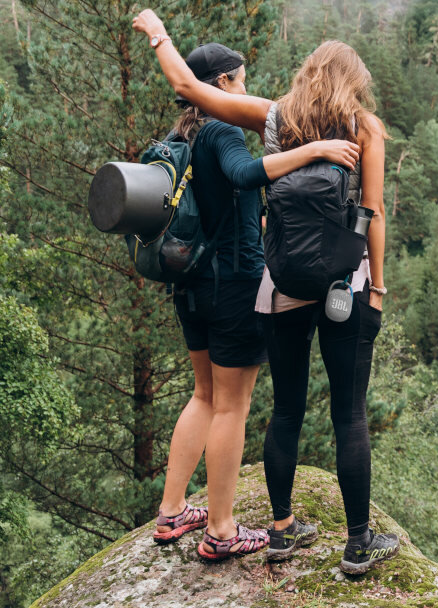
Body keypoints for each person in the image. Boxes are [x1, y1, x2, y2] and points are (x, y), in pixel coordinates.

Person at [134, 11, 400, 572]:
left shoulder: (274, 116)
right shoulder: (365, 128)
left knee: (285, 410)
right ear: (353, 83)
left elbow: (186, 87)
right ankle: (358, 544)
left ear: (306, 76)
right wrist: (377, 285)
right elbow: (372, 215)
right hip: (343, 284)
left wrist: (159, 34)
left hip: (280, 285)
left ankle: (280, 530)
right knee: (349, 415)